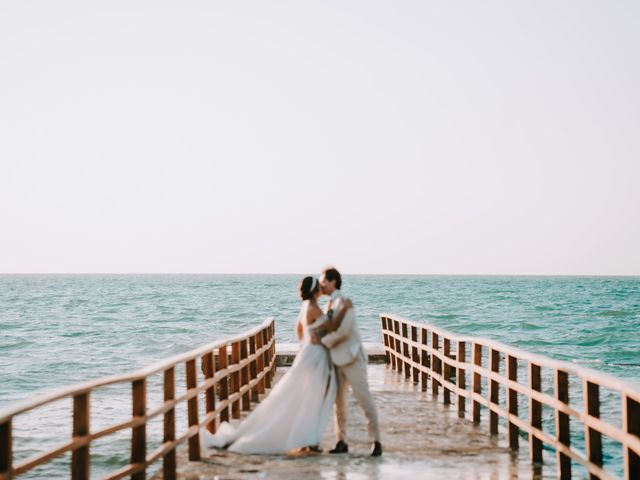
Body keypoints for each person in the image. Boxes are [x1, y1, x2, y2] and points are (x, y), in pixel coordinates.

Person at [200, 276, 352, 454]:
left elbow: (299, 329)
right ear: (314, 291)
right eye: (319, 286)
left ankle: (308, 438)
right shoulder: (313, 308)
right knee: (311, 396)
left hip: (310, 353)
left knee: (305, 396)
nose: (322, 288)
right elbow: (331, 327)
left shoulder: (305, 307)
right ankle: (308, 439)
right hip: (315, 357)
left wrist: (306, 344)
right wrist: (344, 311)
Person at [311, 267, 382, 457]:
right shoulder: (329, 305)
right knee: (338, 403)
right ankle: (341, 441)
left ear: (333, 281)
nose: (321, 285)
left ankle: (376, 441)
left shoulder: (344, 301)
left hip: (353, 358)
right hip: (336, 359)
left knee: (364, 399)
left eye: (323, 281)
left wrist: (322, 341)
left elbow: (343, 331)